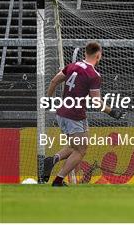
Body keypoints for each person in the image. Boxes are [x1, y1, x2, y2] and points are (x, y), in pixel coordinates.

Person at [41, 41, 125, 186]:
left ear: (85, 53)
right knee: (81, 151)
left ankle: (52, 160)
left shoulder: (72, 66)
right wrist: (113, 112)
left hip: (63, 113)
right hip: (74, 116)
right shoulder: (93, 75)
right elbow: (97, 103)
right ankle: (58, 180)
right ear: (98, 56)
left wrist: (48, 100)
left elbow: (54, 81)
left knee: (77, 146)